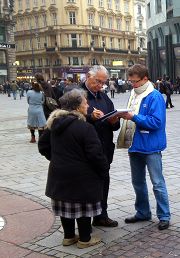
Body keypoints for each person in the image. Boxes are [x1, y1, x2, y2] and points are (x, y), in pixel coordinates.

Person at [38, 89, 109, 248]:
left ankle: (68, 237)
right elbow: (96, 155)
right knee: (83, 207)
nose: (87, 105)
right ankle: (85, 239)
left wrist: (56, 158)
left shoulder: (53, 123)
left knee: (66, 205)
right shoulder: (85, 128)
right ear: (77, 107)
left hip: (59, 174)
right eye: (85, 102)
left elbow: (42, 146)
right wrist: (104, 171)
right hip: (82, 177)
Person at [117, 64, 171, 230]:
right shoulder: (134, 93)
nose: (133, 85)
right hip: (135, 145)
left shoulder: (154, 96)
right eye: (131, 81)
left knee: (157, 183)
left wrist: (134, 116)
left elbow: (156, 122)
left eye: (135, 81)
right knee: (138, 182)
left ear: (145, 78)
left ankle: (164, 216)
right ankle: (143, 212)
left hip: (151, 147)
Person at [81, 65, 120, 227]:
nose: (100, 85)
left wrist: (114, 121)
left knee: (103, 181)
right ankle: (84, 219)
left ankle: (101, 215)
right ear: (88, 76)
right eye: (98, 81)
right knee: (86, 184)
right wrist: (90, 117)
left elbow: (115, 125)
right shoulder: (77, 95)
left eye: (103, 83)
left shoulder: (104, 97)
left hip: (104, 150)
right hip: (85, 151)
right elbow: (68, 119)